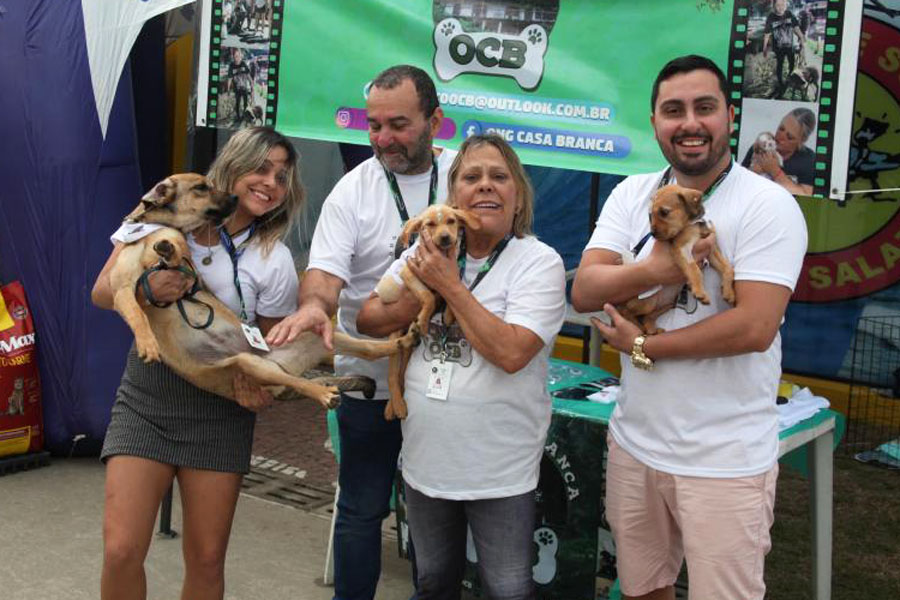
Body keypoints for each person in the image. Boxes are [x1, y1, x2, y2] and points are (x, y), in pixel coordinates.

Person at [572, 55, 807, 600]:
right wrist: (656, 270)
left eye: (704, 108)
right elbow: (584, 290)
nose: (690, 123)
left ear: (729, 116)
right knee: (641, 590)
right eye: (673, 110)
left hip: (724, 459)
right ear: (654, 122)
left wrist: (643, 345)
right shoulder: (633, 193)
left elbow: (754, 327)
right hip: (636, 443)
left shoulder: (768, 205)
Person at [265, 64, 454, 600]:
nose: (382, 139)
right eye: (373, 125)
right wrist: (314, 307)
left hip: (449, 380)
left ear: (435, 121)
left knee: (437, 518)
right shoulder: (354, 189)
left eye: (398, 124)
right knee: (360, 509)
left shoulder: (465, 174)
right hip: (369, 380)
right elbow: (325, 274)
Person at [91, 126, 304, 600]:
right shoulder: (160, 219)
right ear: (233, 166)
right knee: (122, 549)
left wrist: (262, 385)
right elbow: (102, 291)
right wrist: (145, 290)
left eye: (282, 176)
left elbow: (266, 344)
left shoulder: (275, 259)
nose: (271, 182)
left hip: (219, 410)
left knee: (206, 560)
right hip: (148, 395)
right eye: (261, 167)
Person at [357, 133, 566, 600]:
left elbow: (512, 353)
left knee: (508, 588)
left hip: (500, 470)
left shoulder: (538, 262)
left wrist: (451, 288)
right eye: (472, 177)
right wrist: (423, 290)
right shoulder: (427, 253)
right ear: (454, 198)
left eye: (499, 177)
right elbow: (368, 318)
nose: (486, 186)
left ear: (518, 197)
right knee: (433, 583)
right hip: (426, 462)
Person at [742, 107, 816, 196]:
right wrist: (753, 171)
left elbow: (806, 194)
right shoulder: (763, 145)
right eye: (781, 128)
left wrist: (774, 170)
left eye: (789, 137)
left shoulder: (808, 159)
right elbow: (740, 182)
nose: (781, 137)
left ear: (801, 141)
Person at [762, 0, 805, 98]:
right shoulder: (771, 17)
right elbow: (767, 33)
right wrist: (764, 48)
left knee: (792, 63)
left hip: (790, 46)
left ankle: (789, 79)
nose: (781, 7)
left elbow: (796, 27)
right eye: (778, 5)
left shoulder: (789, 14)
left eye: (783, 5)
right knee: (780, 64)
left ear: (786, 5)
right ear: (774, 6)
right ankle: (780, 83)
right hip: (778, 48)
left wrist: (801, 37)